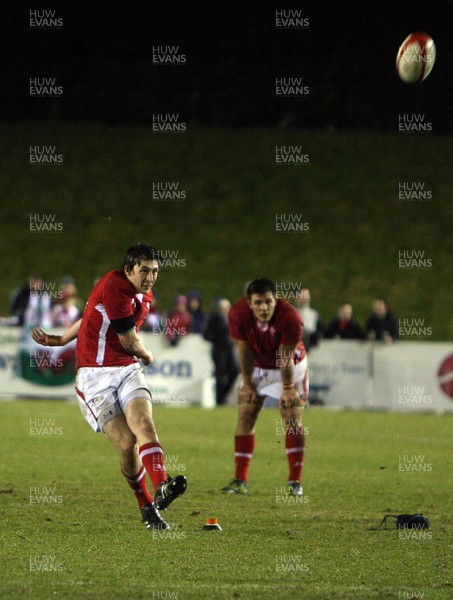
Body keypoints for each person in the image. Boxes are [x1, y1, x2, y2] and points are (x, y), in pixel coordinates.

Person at [31, 243, 187, 530]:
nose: (150, 277)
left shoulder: (143, 293)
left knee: (144, 424)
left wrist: (61, 339)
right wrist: (149, 355)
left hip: (126, 369)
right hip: (94, 378)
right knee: (127, 444)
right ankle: (146, 507)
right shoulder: (116, 287)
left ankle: (162, 485)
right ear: (128, 270)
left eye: (154, 271)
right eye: (144, 270)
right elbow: (129, 341)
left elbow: (90, 313)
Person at [221, 278, 308, 497]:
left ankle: (295, 482)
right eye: (258, 302)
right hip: (258, 365)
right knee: (246, 413)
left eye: (268, 302)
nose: (264, 307)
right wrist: (248, 384)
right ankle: (240, 480)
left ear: (276, 300)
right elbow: (243, 350)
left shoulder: (291, 317)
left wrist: (288, 388)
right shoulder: (238, 314)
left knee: (291, 415)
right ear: (249, 303)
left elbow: (285, 356)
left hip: (290, 366)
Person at [203, 298, 239, 406]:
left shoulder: (233, 319)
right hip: (219, 349)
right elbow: (206, 334)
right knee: (220, 374)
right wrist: (219, 339)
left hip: (230, 348)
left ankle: (223, 395)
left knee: (235, 370)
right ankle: (219, 400)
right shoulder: (214, 319)